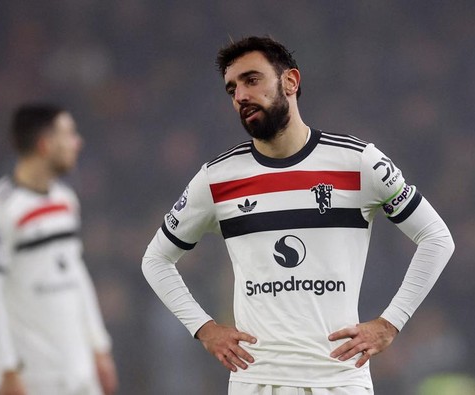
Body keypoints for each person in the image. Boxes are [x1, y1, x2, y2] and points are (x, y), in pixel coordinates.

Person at [141, 36, 455, 395]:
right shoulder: (217, 179)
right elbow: (156, 260)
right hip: (255, 382)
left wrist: (389, 324)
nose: (240, 96)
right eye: (232, 89)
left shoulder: (358, 162)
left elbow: (436, 238)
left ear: (290, 81)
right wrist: (204, 328)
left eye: (252, 80)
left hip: (339, 381)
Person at [0, 104, 118, 395]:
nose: (78, 142)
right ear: (44, 144)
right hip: (34, 375)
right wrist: (6, 368)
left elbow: (75, 272)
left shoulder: (65, 199)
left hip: (79, 368)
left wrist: (99, 346)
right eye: (69, 134)